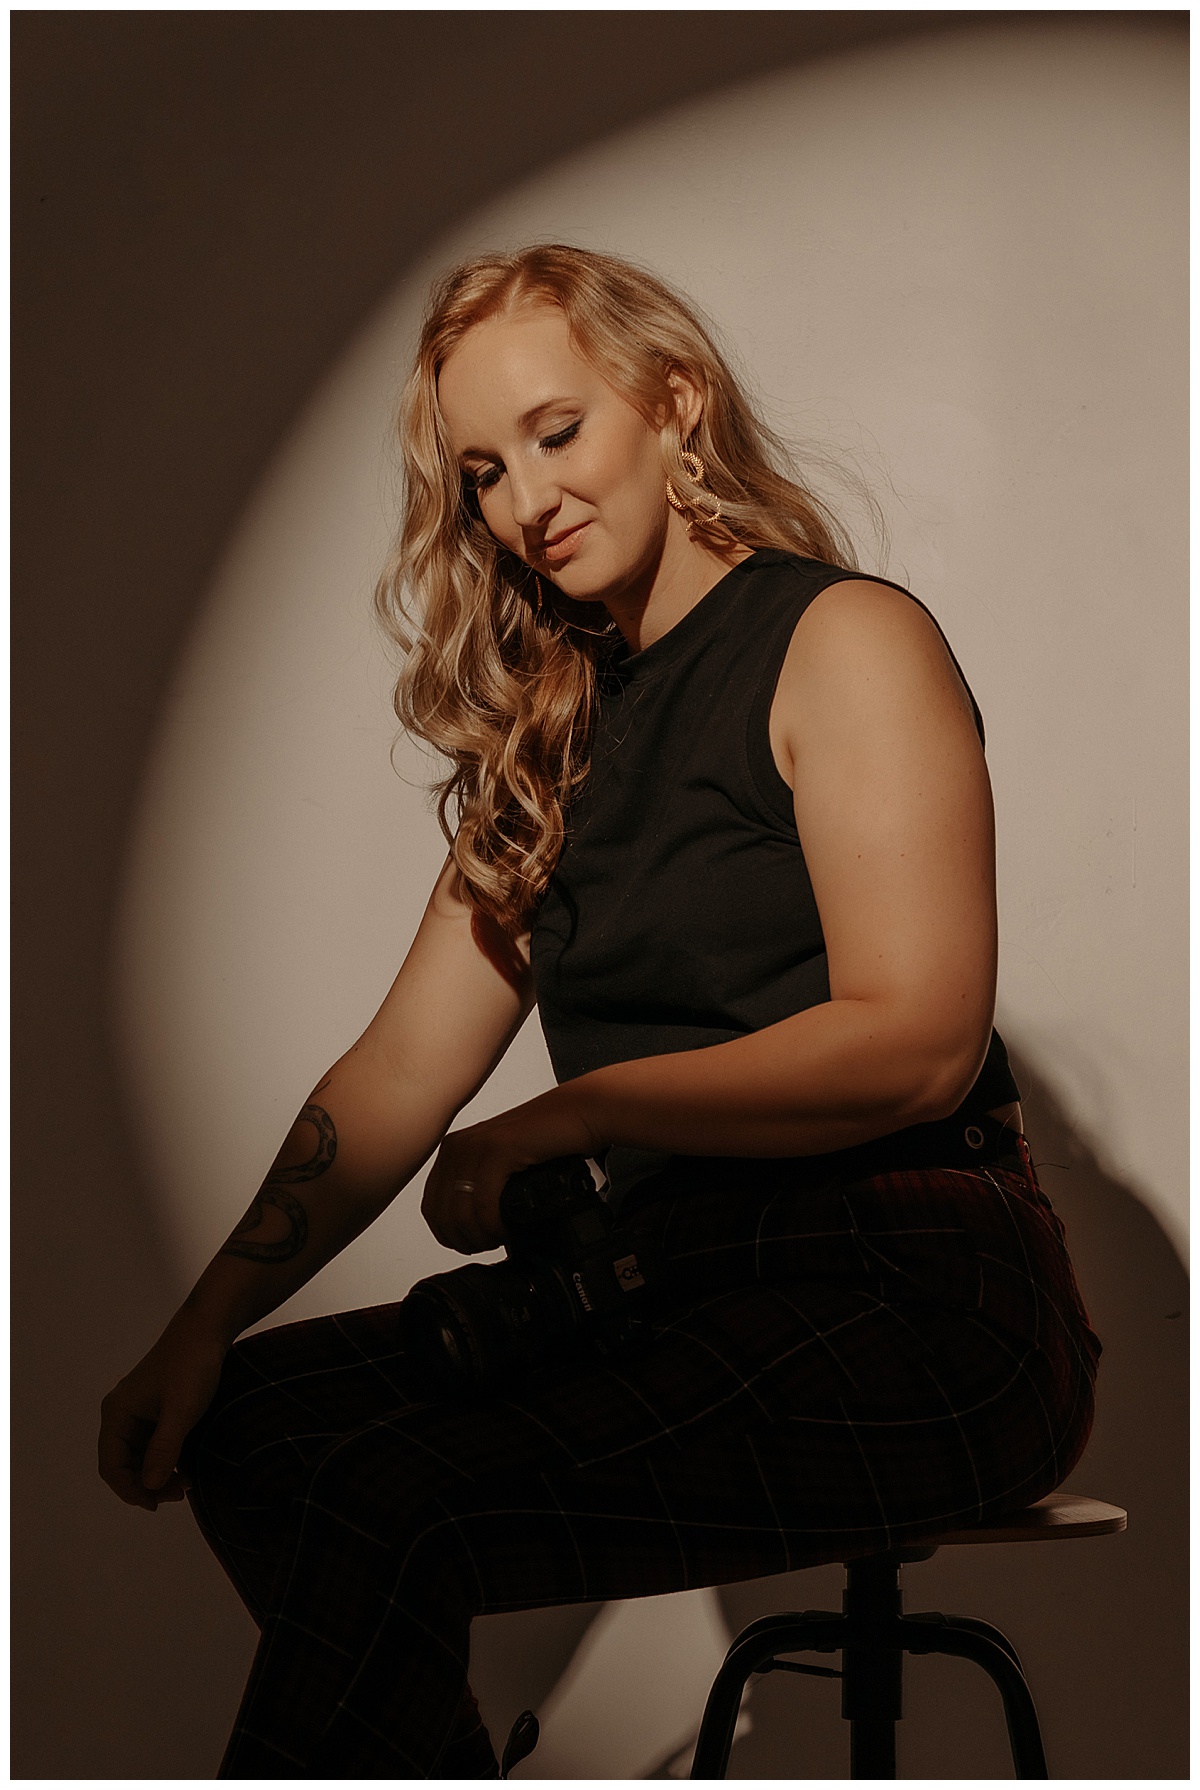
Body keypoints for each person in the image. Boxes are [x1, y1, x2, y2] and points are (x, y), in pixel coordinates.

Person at [98, 244, 1100, 1778]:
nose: (524, 502)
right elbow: (393, 1074)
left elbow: (919, 1038)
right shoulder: (548, 740)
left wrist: (579, 1108)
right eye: (485, 472)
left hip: (922, 1293)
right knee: (259, 1428)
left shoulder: (839, 638)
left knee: (390, 1498)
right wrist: (200, 1323)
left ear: (673, 403)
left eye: (557, 435)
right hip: (677, 1287)